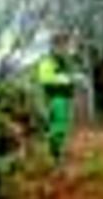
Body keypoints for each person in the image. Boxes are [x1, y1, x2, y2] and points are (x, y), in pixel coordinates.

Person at [36, 32, 76, 162]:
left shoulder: (64, 62)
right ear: (54, 46)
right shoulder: (47, 61)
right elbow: (45, 79)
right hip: (55, 98)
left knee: (64, 127)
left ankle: (57, 154)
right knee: (58, 127)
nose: (65, 49)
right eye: (62, 45)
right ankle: (53, 155)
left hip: (66, 97)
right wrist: (65, 79)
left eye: (66, 46)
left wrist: (72, 79)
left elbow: (68, 78)